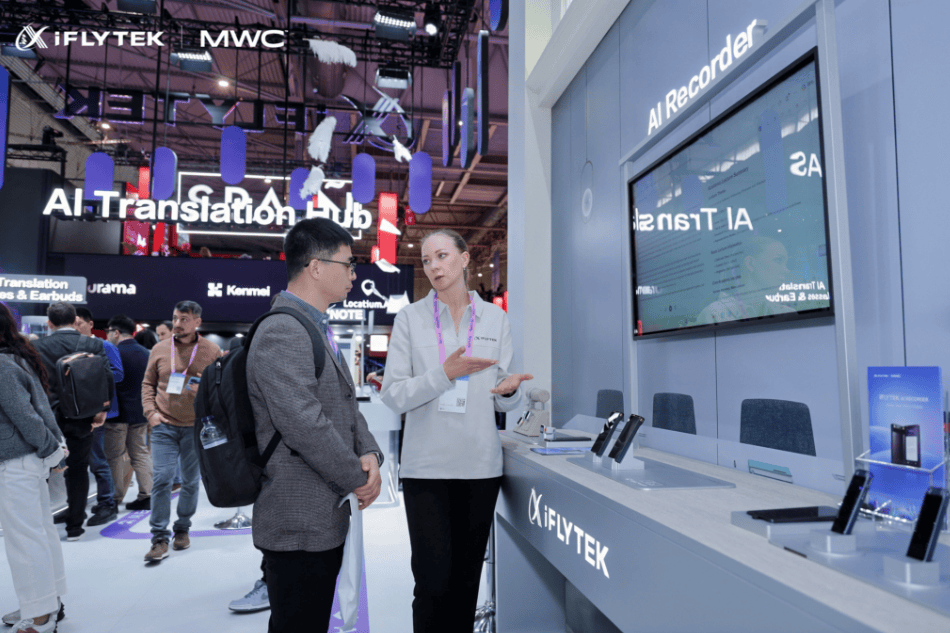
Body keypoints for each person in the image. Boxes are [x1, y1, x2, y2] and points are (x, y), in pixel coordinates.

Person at [380, 229, 533, 633]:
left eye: (442, 256)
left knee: (466, 585)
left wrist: (509, 392)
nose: (433, 266)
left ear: (465, 259)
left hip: (480, 467)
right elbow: (394, 395)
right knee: (432, 585)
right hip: (426, 468)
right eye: (426, 260)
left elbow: (501, 398)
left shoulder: (496, 319)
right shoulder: (410, 318)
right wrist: (443, 374)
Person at [247, 217, 383, 632]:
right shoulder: (283, 330)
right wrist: (356, 477)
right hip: (298, 518)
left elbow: (345, 404)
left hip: (321, 515)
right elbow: (303, 423)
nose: (354, 274)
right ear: (317, 267)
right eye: (348, 263)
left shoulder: (313, 327)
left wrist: (370, 452)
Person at [0, 304, 68, 633]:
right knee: (39, 533)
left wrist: (51, 450)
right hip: (25, 459)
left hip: (15, 461)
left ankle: (40, 614)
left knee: (25, 539)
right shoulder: (16, 357)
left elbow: (25, 416)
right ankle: (46, 603)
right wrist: (53, 449)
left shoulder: (3, 363)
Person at [141, 301, 221, 563]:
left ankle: (182, 528)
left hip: (194, 428)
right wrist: (151, 413)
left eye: (184, 319)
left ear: (197, 322)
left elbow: (220, 390)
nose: (177, 324)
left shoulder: (211, 351)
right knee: (162, 478)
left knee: (190, 481)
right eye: (175, 318)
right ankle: (159, 537)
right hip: (163, 425)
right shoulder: (159, 349)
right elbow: (148, 383)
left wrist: (205, 395)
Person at [32, 302, 110, 542]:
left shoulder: (36, 347)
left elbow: (31, 383)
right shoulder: (93, 344)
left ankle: (40, 526)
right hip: (81, 415)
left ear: (49, 323)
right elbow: (106, 378)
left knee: (42, 472)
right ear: (75, 320)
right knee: (78, 470)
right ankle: (75, 527)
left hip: (46, 417)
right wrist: (102, 411)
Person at [74, 307, 123, 527]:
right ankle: (77, 505)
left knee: (97, 460)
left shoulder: (105, 346)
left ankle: (107, 503)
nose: (76, 327)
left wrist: (88, 374)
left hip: (97, 411)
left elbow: (118, 374)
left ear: (90, 324)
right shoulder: (71, 346)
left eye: (79, 323)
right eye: (72, 324)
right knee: (78, 461)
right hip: (74, 411)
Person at [105, 315, 154, 511]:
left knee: (115, 456)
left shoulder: (113, 352)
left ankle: (114, 497)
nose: (108, 335)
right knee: (140, 452)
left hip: (117, 414)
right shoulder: (146, 353)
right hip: (141, 412)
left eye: (109, 331)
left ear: (116, 332)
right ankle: (147, 494)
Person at [696, 235, 795, 324]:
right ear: (750, 264)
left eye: (786, 263)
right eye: (778, 260)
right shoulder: (714, 315)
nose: (786, 270)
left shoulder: (786, 314)